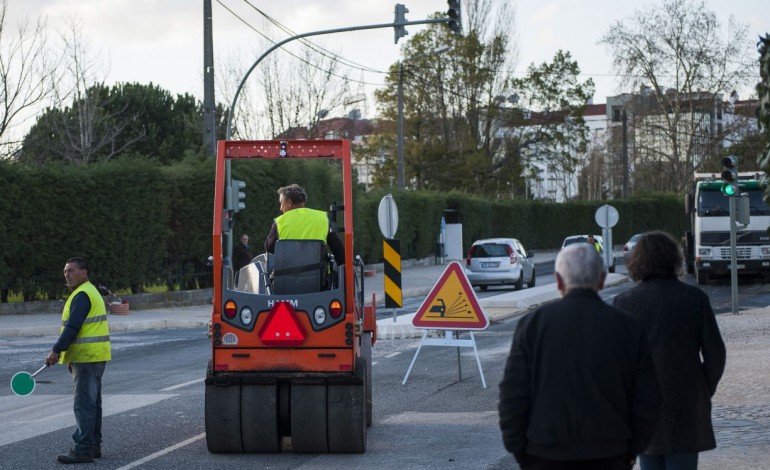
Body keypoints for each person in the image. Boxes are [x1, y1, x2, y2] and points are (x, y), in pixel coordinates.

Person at [498, 243, 660, 470]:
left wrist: (521, 451)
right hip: (610, 453)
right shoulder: (627, 327)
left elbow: (512, 396)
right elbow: (648, 398)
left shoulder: (533, 324)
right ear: (602, 279)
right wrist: (631, 450)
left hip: (544, 454)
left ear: (558, 280)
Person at [612, 231, 726, 470]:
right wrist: (703, 388)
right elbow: (716, 354)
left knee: (649, 462)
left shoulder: (624, 303)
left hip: (644, 405)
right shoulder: (694, 298)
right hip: (686, 401)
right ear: (675, 259)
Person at [45, 257, 111, 464]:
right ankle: (93, 446)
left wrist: (56, 350)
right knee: (93, 404)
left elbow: (73, 327)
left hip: (87, 357)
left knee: (84, 404)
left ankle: (83, 449)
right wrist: (70, 357)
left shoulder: (83, 294)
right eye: (65, 271)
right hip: (93, 356)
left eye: (72, 270)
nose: (67, 274)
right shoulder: (89, 292)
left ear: (84, 273)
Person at [264, 184, 345, 264]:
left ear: (289, 202)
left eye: (281, 203)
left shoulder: (280, 222)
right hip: (318, 276)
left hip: (286, 275)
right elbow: (338, 249)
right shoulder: (322, 219)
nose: (280, 208)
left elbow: (269, 248)